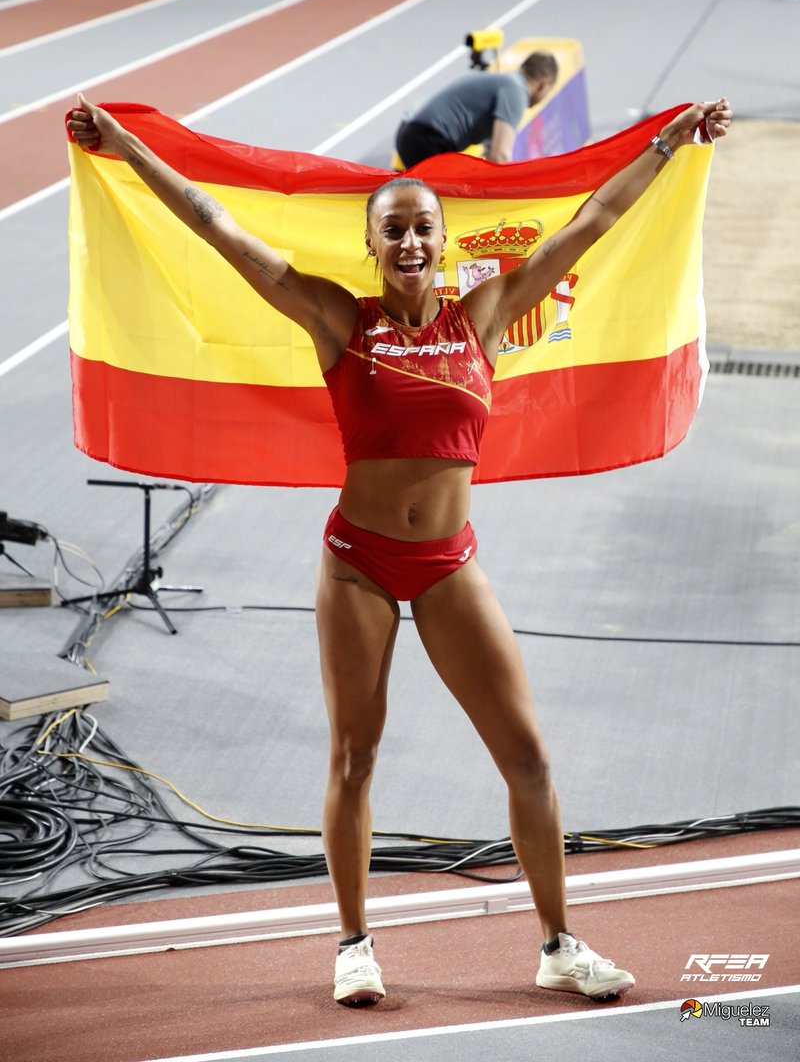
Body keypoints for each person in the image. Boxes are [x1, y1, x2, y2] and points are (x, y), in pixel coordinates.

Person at [67, 92, 732, 1008]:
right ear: (373, 248)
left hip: (449, 561)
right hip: (357, 565)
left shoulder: (486, 317)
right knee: (354, 755)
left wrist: (668, 143)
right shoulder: (339, 321)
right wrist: (127, 148)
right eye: (395, 232)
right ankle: (352, 943)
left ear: (445, 243)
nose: (412, 243)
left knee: (529, 757)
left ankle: (558, 943)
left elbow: (595, 222)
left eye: (425, 228)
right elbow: (217, 226)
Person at [395, 51, 558, 169]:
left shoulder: (505, 82)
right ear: (545, 83)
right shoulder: (516, 90)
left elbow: (490, 153)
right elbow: (499, 156)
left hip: (413, 133)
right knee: (449, 206)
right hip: (425, 139)